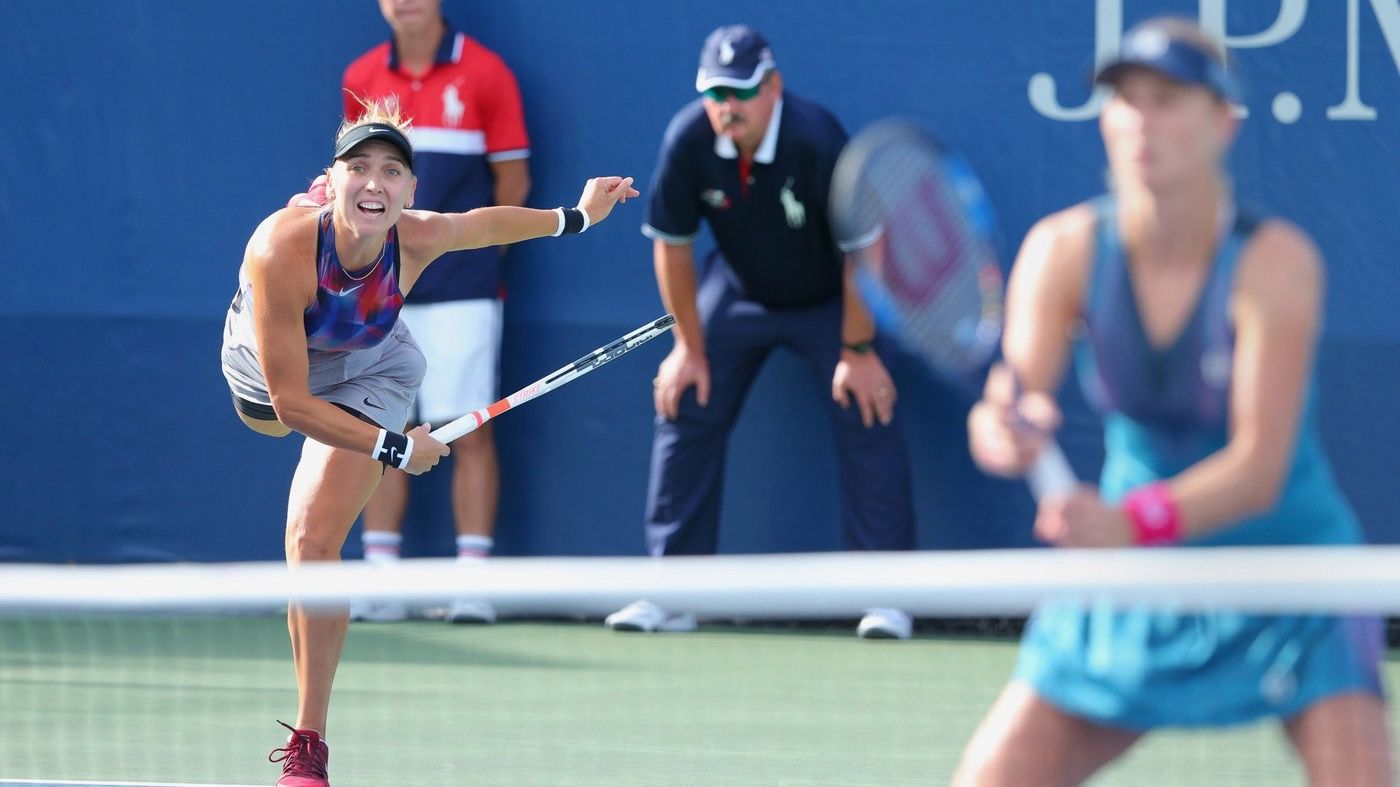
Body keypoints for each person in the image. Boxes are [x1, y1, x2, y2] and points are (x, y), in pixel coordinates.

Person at [955, 18, 1390, 786]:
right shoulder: (1063, 251)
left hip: (1290, 570)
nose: (1141, 121)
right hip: (1133, 576)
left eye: (1168, 99)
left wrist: (1131, 523)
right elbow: (1012, 392)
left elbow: (1259, 466)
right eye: (1125, 100)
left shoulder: (1276, 264)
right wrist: (1002, 426)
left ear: (1224, 122)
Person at [222, 104, 635, 786]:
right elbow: (291, 405)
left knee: (310, 538)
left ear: (411, 190)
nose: (373, 181)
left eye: (391, 169)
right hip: (269, 378)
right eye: (357, 167)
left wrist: (581, 216)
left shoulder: (418, 235)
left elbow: (490, 223)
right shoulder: (282, 249)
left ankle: (308, 745)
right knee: (269, 419)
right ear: (333, 179)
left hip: (373, 363)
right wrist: (392, 449)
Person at [604, 24, 917, 640]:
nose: (726, 107)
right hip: (740, 293)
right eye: (714, 93)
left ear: (773, 86)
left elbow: (864, 252)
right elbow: (672, 245)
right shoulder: (689, 137)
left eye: (740, 91)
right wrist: (688, 348)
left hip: (833, 297)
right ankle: (674, 591)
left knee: (868, 403)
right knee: (684, 398)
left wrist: (857, 350)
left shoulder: (818, 138)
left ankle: (888, 595)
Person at [338, 0, 533, 625]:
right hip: (379, 291)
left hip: (464, 290)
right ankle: (381, 578)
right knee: (379, 432)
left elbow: (513, 187)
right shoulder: (363, 75)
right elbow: (352, 191)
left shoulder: (486, 73)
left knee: (467, 428)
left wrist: (468, 259)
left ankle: (471, 581)